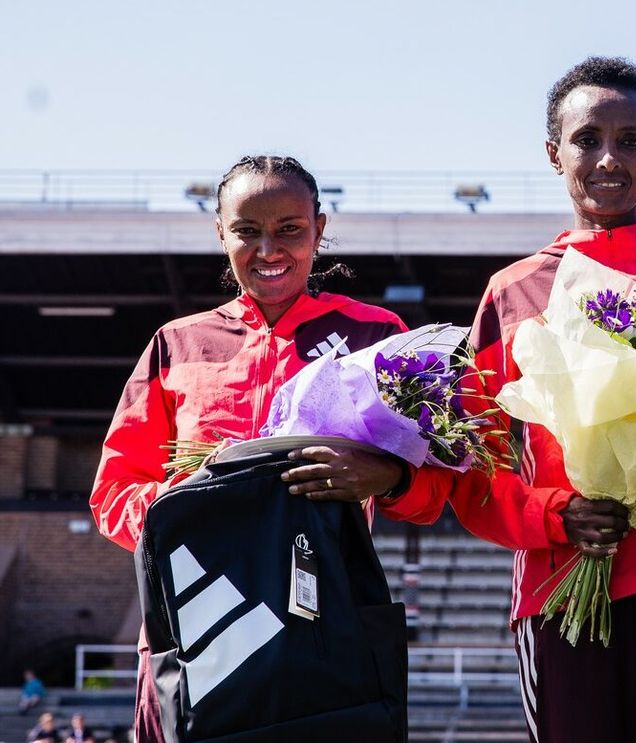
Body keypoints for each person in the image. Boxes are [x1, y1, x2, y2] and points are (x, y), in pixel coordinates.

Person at [89, 155, 448, 743]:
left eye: (290, 229)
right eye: (247, 231)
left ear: (319, 228)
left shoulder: (377, 337)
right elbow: (113, 493)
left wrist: (382, 478)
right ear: (220, 234)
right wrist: (192, 509)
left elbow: (433, 492)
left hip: (325, 622)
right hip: (200, 623)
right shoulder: (176, 344)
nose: (269, 249)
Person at [445, 57, 636, 743]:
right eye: (587, 139)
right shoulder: (512, 292)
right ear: (555, 153)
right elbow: (475, 464)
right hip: (565, 590)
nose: (609, 158)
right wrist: (560, 514)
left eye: (630, 141)